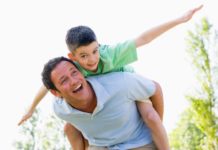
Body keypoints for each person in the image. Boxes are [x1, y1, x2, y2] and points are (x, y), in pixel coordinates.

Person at [18, 4, 203, 149]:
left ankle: (158, 141)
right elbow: (48, 85)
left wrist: (180, 20)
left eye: (94, 51)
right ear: (72, 57)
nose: (92, 60)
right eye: (84, 56)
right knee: (68, 128)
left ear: (99, 45)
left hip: (127, 91)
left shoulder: (111, 54)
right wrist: (31, 109)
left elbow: (143, 39)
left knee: (151, 117)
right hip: (101, 103)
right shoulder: (71, 70)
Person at [42, 56, 168, 150]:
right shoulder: (60, 109)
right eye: (64, 80)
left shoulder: (121, 83)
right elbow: (73, 128)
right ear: (56, 93)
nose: (74, 81)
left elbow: (155, 89)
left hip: (138, 142)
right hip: (102, 146)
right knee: (70, 128)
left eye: (74, 72)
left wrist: (158, 126)